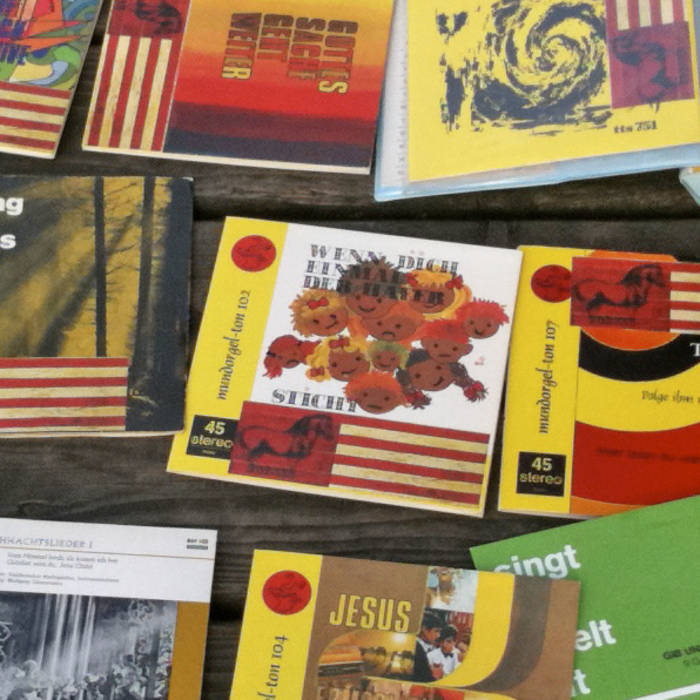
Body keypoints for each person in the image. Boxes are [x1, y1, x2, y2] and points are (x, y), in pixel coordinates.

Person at [412, 611, 442, 682]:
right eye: (436, 631)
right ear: (425, 629)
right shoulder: (416, 649)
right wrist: (433, 675)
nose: (438, 635)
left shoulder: (433, 648)